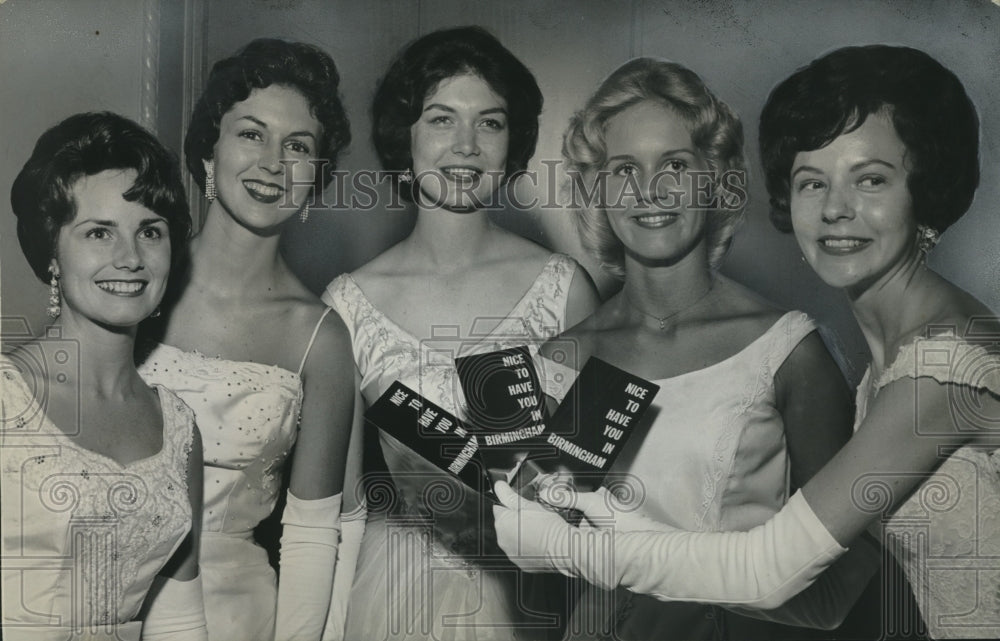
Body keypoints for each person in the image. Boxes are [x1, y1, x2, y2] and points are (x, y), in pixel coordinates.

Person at [494, 45, 1000, 640]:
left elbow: (769, 571)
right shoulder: (887, 369)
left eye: (871, 179)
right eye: (813, 182)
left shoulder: (943, 365)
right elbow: (816, 601)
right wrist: (612, 526)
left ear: (924, 187)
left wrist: (565, 548)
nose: (837, 209)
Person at [528, 57, 865, 640]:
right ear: (596, 189)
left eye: (675, 165)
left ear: (714, 178)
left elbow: (838, 592)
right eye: (624, 169)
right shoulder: (563, 358)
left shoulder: (788, 351)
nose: (650, 191)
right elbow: (545, 560)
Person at [322, 25, 599, 640]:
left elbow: (588, 493)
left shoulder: (563, 288)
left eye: (490, 123)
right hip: (389, 594)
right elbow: (340, 512)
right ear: (407, 137)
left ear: (512, 142)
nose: (466, 146)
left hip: (534, 595)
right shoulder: (347, 302)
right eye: (442, 120)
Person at [137, 38, 355, 641]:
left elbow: (312, 534)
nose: (273, 163)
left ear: (316, 179)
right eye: (251, 134)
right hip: (105, 597)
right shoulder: (135, 284)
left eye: (298, 146)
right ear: (209, 152)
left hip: (238, 617)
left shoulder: (321, 337)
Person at [1, 111, 206, 640]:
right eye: (99, 232)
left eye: (150, 232)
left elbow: (180, 619)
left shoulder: (180, 427)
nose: (131, 258)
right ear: (52, 251)